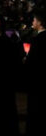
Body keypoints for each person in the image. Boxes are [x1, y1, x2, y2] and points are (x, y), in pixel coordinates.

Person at [26, 8, 46, 136]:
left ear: (39, 22)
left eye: (34, 19)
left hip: (37, 84)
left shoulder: (37, 40)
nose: (32, 22)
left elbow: (31, 64)